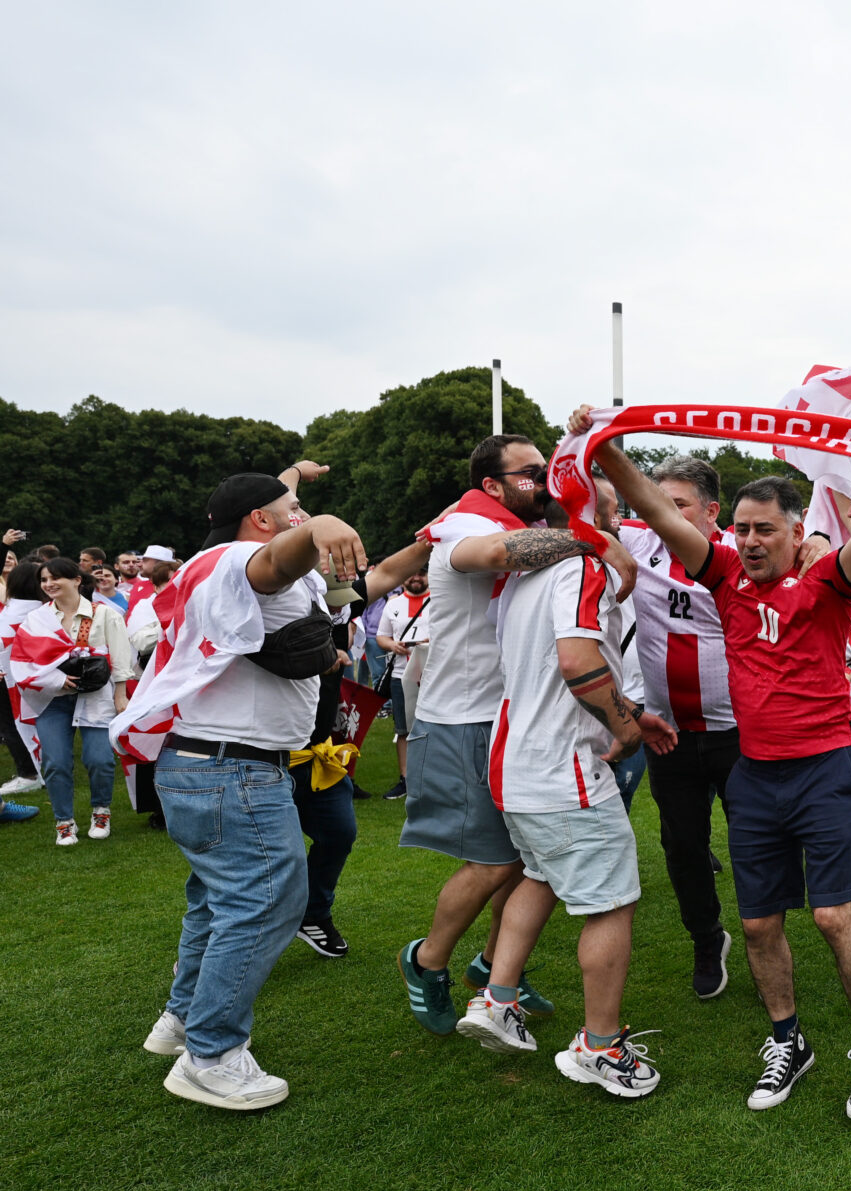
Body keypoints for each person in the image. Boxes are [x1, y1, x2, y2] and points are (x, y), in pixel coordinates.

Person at [581, 406, 851, 1122]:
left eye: (763, 529)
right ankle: (787, 1040)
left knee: (835, 916)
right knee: (759, 926)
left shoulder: (830, 579)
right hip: (756, 773)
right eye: (739, 528)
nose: (747, 542)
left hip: (825, 769)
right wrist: (604, 446)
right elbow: (650, 503)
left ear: (796, 531)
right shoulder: (722, 577)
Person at [121, 471, 367, 1109]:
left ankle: (179, 1022)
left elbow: (349, 574)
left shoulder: (212, 561)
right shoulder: (241, 561)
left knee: (215, 900)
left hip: (209, 765)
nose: (302, 513)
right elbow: (274, 561)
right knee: (267, 900)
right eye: (293, 509)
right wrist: (315, 528)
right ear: (262, 519)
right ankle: (211, 1053)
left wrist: (432, 539)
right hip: (231, 768)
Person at [396, 434, 637, 1038]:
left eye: (544, 472)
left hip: (508, 720)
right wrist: (597, 540)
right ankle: (428, 962)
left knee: (534, 864)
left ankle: (500, 974)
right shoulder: (464, 527)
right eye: (528, 473)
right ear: (492, 486)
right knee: (496, 862)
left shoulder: (539, 555)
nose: (541, 480)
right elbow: (574, 655)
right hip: (469, 718)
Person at [454, 476, 667, 1097]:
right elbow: (576, 663)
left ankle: (498, 998)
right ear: (590, 517)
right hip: (561, 767)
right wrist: (624, 726)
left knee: (540, 875)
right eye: (615, 507)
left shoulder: (524, 574)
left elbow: (556, 668)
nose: (623, 517)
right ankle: (601, 1047)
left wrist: (623, 705)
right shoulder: (582, 565)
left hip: (516, 760)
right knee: (610, 903)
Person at [616, 453, 745, 1000]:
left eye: (678, 506)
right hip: (668, 733)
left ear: (712, 511)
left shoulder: (741, 554)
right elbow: (581, 509)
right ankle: (706, 937)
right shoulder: (640, 544)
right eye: (656, 505)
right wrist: (592, 442)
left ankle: (766, 940)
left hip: (738, 732)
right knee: (682, 846)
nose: (660, 517)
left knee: (755, 844)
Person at [10, 557, 136, 843]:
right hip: (52, 699)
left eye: (56, 578)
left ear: (77, 580)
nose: (49, 584)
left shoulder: (104, 615)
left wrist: (121, 696)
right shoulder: (36, 619)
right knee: (55, 761)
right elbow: (24, 662)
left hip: (96, 697)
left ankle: (101, 811)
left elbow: (120, 659)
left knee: (100, 760)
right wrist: (54, 680)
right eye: (43, 580)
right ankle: (64, 821)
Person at [375, 567, 429, 800]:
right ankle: (405, 779)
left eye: (422, 572)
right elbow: (381, 636)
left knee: (435, 726)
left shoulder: (441, 601)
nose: (416, 577)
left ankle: (433, 778)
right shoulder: (393, 604)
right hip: (399, 674)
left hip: (434, 675)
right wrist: (392, 646)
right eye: (411, 573)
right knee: (403, 729)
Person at [0, 558, 45, 801]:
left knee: (13, 726)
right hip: (37, 678)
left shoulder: (13, 611)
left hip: (10, 679)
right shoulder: (43, 608)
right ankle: (41, 769)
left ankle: (28, 774)